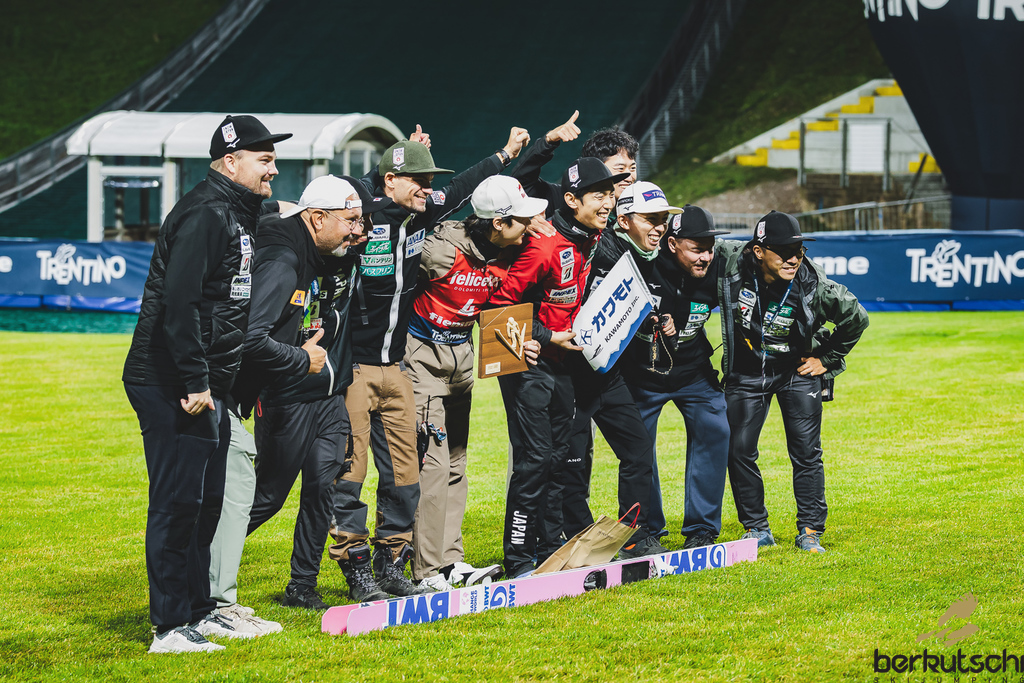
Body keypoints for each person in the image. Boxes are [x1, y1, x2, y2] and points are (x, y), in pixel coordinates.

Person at [331, 129, 531, 596]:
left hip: (437, 363)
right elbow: (352, 201)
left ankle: (439, 561)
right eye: (417, 179)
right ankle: (417, 567)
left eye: (427, 180)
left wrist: (506, 153)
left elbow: (458, 187)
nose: (427, 188)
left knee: (442, 465)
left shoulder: (430, 220)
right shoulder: (391, 228)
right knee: (408, 466)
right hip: (393, 362)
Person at [122, 115, 291, 654]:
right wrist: (196, 380)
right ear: (230, 162)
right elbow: (181, 304)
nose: (274, 169)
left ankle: (200, 611)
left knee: (207, 503)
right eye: (264, 159)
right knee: (177, 504)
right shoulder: (205, 213)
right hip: (172, 381)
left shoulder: (236, 210)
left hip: (205, 385)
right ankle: (169, 627)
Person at [490, 157, 665, 579]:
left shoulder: (593, 235)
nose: (608, 202)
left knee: (555, 459)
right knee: (535, 461)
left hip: (565, 365)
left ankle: (551, 547)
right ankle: (518, 559)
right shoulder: (544, 245)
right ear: (571, 200)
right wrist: (549, 336)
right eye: (598, 195)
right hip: (531, 361)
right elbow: (498, 308)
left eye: (610, 194)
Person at [234, 175, 395, 609]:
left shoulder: (340, 246)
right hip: (286, 395)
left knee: (322, 492)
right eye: (352, 222)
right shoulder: (284, 258)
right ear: (317, 218)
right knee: (267, 497)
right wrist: (299, 360)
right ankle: (198, 563)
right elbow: (251, 338)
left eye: (362, 221)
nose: (360, 232)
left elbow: (368, 200)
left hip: (330, 395)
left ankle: (302, 587)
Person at [406, 175, 546, 591]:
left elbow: (499, 310)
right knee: (431, 467)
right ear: (498, 223)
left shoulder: (507, 252)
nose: (530, 225)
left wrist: (524, 341)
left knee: (455, 465)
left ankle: (451, 561)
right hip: (422, 363)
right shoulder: (439, 250)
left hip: (461, 365)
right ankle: (426, 570)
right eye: (522, 219)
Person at [717, 211, 869, 553]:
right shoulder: (731, 260)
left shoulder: (815, 285)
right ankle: (757, 528)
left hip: (796, 372)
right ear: (759, 251)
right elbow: (692, 242)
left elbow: (856, 318)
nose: (793, 258)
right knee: (738, 450)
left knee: (806, 452)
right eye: (784, 251)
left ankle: (810, 531)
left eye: (798, 250)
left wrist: (826, 360)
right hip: (746, 372)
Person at [554, 181, 677, 559]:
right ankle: (578, 541)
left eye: (663, 219)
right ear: (623, 221)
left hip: (607, 374)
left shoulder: (651, 256)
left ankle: (635, 537)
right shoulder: (598, 246)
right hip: (568, 375)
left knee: (638, 449)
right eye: (650, 219)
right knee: (571, 465)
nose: (659, 227)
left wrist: (653, 321)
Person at [618, 204, 732, 548]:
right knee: (638, 451)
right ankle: (648, 529)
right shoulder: (641, 264)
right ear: (672, 244)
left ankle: (701, 529)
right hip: (642, 376)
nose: (705, 257)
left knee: (716, 429)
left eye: (710, 249)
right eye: (696, 249)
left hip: (694, 372)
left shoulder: (720, 265)